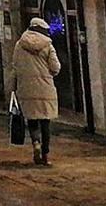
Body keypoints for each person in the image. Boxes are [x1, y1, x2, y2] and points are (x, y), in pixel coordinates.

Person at [12, 18, 61, 166]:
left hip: (26, 88)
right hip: (45, 88)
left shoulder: (19, 45)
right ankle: (45, 154)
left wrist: (14, 87)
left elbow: (15, 67)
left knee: (32, 120)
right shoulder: (48, 45)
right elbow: (55, 67)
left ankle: (36, 144)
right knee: (45, 121)